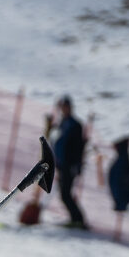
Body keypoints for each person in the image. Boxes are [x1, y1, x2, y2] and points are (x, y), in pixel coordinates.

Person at [51, 95, 88, 230]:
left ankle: (78, 219)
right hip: (61, 164)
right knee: (64, 192)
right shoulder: (62, 123)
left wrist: (75, 165)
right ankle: (76, 218)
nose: (64, 109)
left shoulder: (75, 125)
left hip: (69, 165)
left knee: (65, 193)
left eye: (66, 107)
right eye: (62, 107)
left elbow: (79, 147)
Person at [108, 135, 129, 213]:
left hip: (121, 191)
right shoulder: (123, 158)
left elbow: (117, 179)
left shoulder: (122, 159)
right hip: (121, 191)